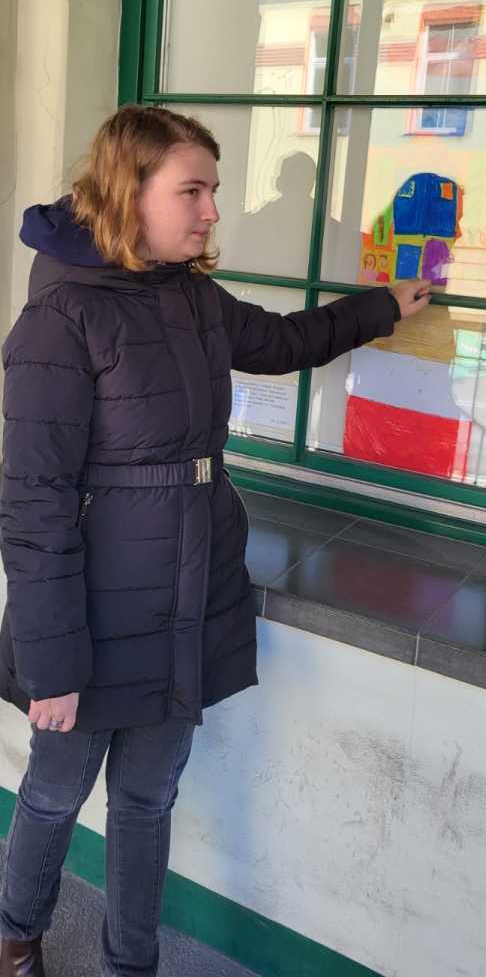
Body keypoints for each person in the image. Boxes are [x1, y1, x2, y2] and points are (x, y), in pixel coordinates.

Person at [0, 105, 430, 977]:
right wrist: (50, 661)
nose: (211, 212)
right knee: (53, 792)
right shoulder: (63, 316)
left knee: (148, 797)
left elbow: (283, 340)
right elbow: (33, 500)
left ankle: (131, 963)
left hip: (193, 590)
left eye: (213, 191)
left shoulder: (192, 296)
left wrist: (380, 306)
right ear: (129, 191)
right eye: (191, 191)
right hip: (92, 611)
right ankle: (14, 936)